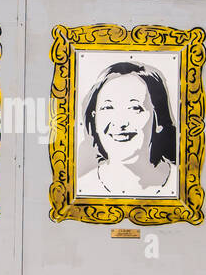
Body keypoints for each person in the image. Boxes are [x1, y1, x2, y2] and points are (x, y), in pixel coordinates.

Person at [76, 60, 178, 197]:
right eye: (107, 107)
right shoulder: (81, 187)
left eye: (135, 108)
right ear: (94, 119)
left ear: (159, 118)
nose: (120, 122)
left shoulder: (182, 185)